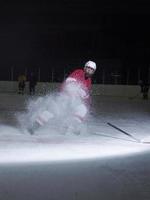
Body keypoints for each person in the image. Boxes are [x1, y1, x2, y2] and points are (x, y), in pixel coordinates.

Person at [28, 60, 96, 134]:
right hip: (64, 96)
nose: (89, 71)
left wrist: (88, 103)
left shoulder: (89, 81)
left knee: (82, 109)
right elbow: (69, 81)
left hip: (74, 101)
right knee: (53, 111)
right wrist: (78, 89)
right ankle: (35, 126)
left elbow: (86, 96)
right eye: (88, 68)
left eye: (91, 70)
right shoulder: (79, 72)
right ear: (85, 68)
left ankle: (73, 126)